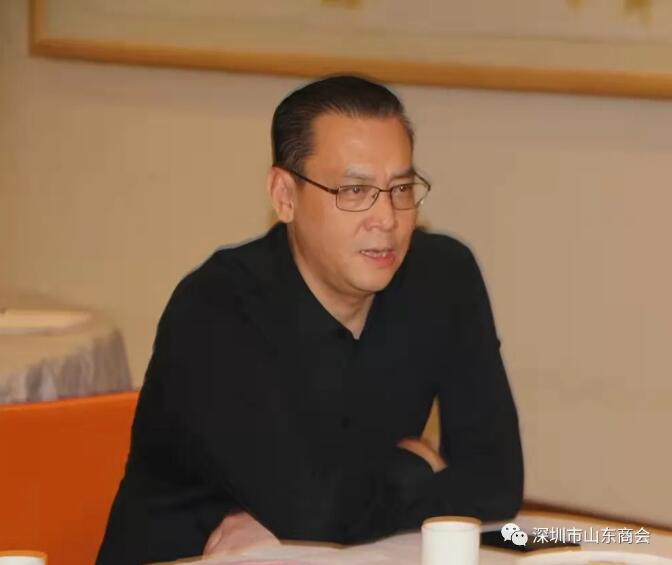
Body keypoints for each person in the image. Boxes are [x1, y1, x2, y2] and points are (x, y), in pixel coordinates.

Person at [97, 75, 524, 565]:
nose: (387, 218)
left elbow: (496, 485)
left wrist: (307, 521)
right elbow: (312, 511)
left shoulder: (443, 278)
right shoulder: (217, 308)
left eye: (401, 188)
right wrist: (417, 467)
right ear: (285, 195)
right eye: (355, 190)